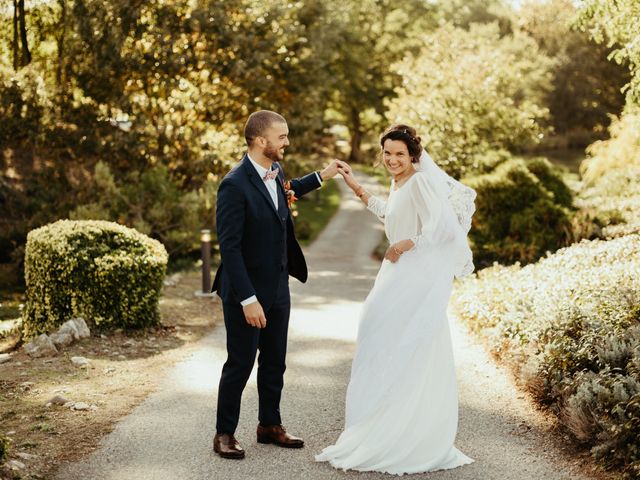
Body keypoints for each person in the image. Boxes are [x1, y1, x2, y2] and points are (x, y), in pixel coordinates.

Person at [315, 124, 476, 474]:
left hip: (413, 276)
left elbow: (444, 229)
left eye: (399, 154)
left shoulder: (419, 181)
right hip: (397, 273)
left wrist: (407, 244)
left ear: (413, 155)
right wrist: (353, 184)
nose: (392, 159)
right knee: (381, 340)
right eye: (387, 153)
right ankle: (382, 423)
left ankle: (406, 434)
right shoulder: (400, 181)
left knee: (404, 345)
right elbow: (391, 213)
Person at [211, 110, 346, 460]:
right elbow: (230, 248)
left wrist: (322, 176)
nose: (287, 142)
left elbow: (287, 190)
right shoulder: (233, 184)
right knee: (240, 363)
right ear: (260, 141)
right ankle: (224, 433)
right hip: (246, 293)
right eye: (281, 136)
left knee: (275, 361)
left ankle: (269, 425)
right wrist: (248, 299)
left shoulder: (276, 170)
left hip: (278, 287)